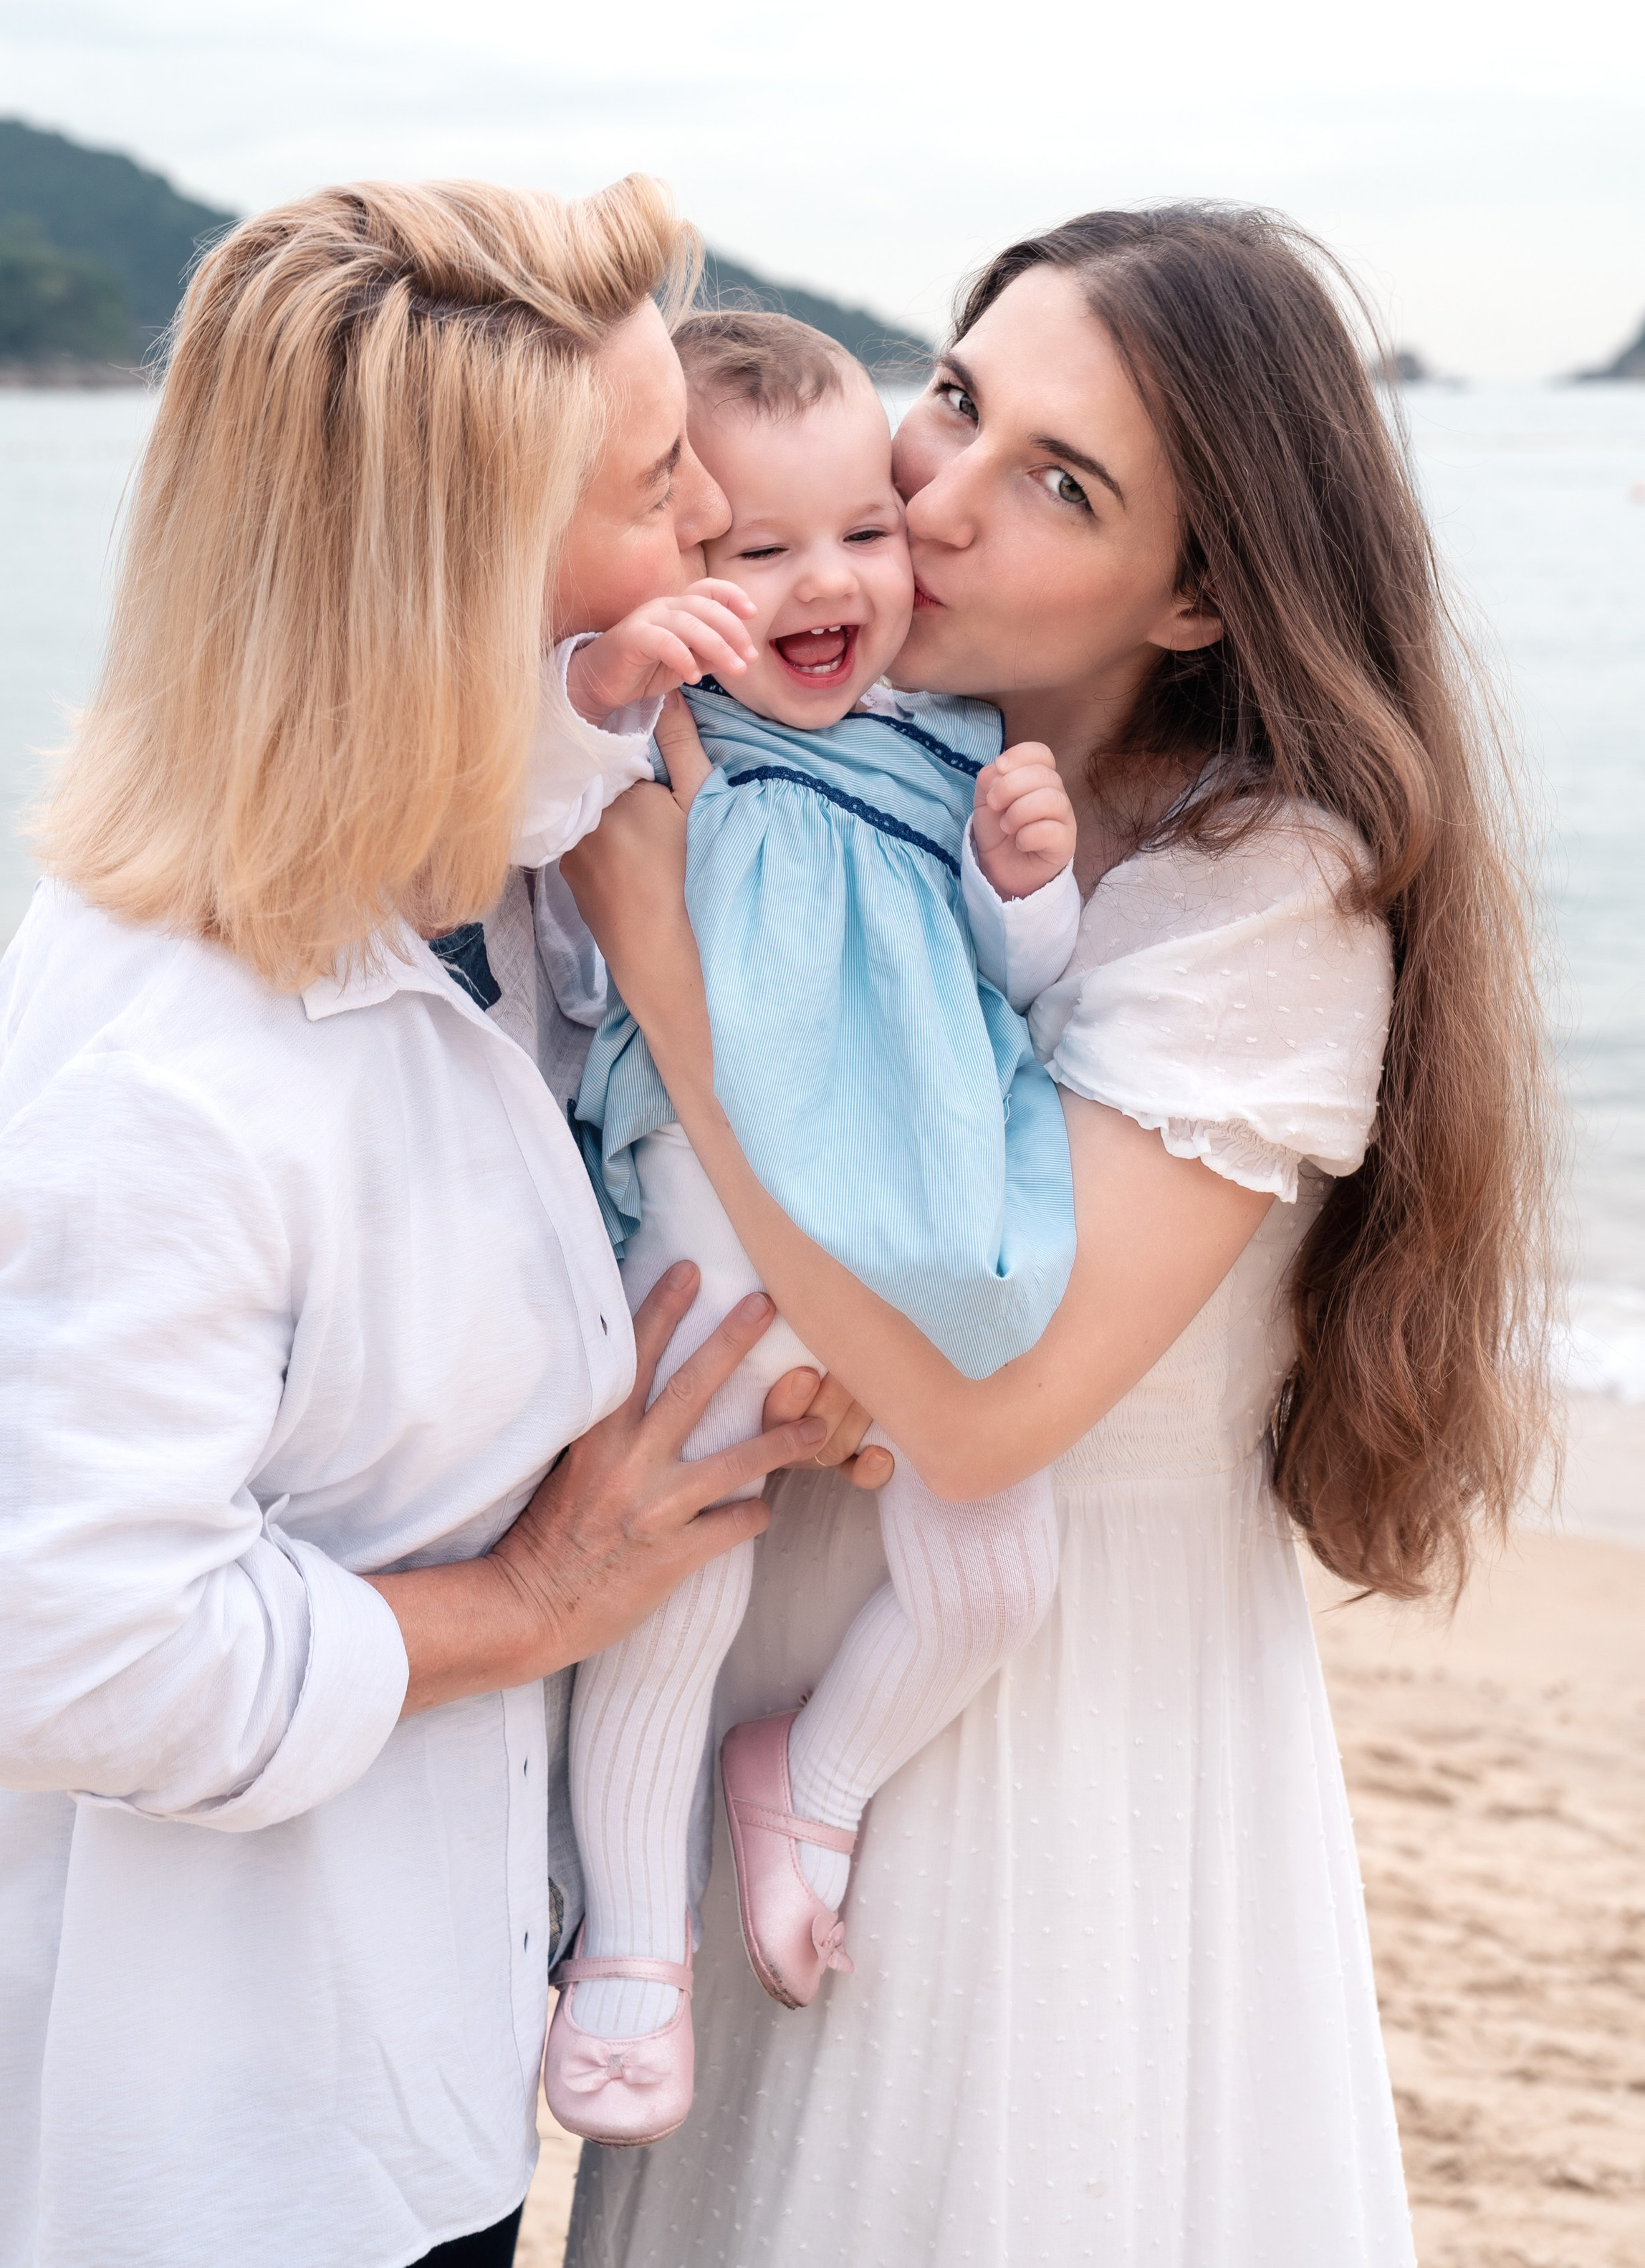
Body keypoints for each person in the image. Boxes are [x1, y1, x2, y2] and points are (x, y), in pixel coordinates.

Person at [0, 176, 841, 2268]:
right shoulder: (171, 1084)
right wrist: (546, 1598)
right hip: (199, 2139)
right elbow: (82, 1664)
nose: (719, 531)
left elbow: (563, 761)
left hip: (403, 2038)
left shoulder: (457, 843)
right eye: (666, 489)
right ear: (457, 589)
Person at [559, 205, 1555, 2267]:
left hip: (1059, 1741)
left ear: (1195, 596)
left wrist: (670, 981)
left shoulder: (1264, 891)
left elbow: (987, 1417)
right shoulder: (868, 762)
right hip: (799, 1625)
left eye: (1057, 481)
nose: (932, 496)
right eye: (956, 397)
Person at [542, 312, 1079, 2146]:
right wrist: (609, 674)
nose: (823, 582)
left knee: (1000, 1569)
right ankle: (629, 1946)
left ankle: (816, 1781)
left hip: (915, 1245)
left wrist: (1027, 883)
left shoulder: (941, 742)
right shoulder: (659, 736)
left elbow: (1015, 997)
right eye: (747, 551)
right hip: (707, 1269)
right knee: (666, 1593)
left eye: (860, 527)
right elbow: (532, 829)